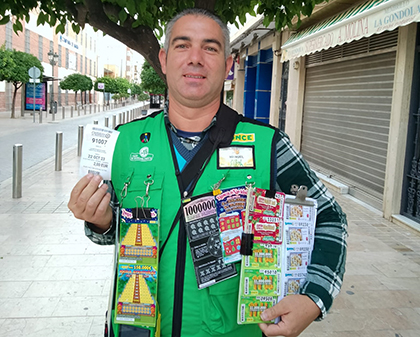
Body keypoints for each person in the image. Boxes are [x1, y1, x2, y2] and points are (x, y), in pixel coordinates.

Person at [68, 8, 347, 337]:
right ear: (164, 59)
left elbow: (330, 218)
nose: (195, 58)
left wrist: (314, 298)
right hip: (136, 326)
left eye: (210, 48)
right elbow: (110, 228)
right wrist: (98, 219)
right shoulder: (125, 141)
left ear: (229, 65)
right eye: (183, 45)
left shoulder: (268, 144)